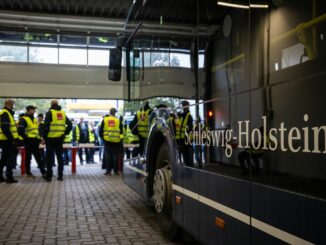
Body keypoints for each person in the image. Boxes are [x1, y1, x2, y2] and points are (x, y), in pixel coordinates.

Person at [43, 99, 72, 181]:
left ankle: (49, 176)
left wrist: (44, 137)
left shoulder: (50, 113)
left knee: (49, 157)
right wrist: (65, 133)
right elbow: (69, 124)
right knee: (60, 157)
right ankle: (60, 175)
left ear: (51, 104)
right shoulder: (62, 113)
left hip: (50, 139)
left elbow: (46, 126)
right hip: (60, 139)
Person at [18, 105, 46, 178]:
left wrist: (40, 139)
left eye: (34, 109)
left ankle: (43, 172)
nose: (34, 111)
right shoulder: (23, 119)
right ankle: (28, 172)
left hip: (35, 141)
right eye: (32, 109)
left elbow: (36, 131)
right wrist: (26, 138)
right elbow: (20, 131)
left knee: (38, 157)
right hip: (28, 141)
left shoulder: (34, 119)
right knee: (28, 157)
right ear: (28, 110)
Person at [99, 108, 123, 176]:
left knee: (108, 156)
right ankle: (115, 171)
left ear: (110, 112)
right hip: (116, 141)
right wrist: (120, 140)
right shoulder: (118, 120)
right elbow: (121, 132)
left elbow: (100, 131)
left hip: (107, 141)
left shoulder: (105, 120)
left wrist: (103, 139)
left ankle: (108, 171)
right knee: (115, 156)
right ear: (115, 113)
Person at [0, 99, 19, 183]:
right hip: (8, 140)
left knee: (4, 158)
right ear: (8, 104)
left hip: (5, 140)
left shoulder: (7, 113)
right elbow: (5, 129)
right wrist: (12, 139)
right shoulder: (5, 113)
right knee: (10, 158)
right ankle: (9, 177)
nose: (13, 106)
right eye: (12, 105)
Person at [180, 100, 194, 167]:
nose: (182, 107)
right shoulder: (184, 115)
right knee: (185, 155)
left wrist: (186, 138)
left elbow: (189, 129)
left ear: (187, 106)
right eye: (182, 106)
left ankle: (189, 170)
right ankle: (188, 168)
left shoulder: (189, 116)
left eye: (183, 106)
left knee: (187, 155)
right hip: (184, 139)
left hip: (187, 139)